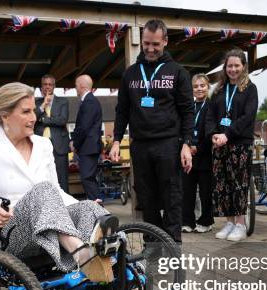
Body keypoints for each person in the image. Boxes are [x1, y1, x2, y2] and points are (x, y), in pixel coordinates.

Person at [0, 82, 112, 282]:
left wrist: (79, 205)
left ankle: (118, 276)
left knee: (88, 208)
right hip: (12, 231)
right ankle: (81, 254)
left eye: (33, 110)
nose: (34, 117)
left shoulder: (43, 145)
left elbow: (56, 192)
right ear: (5, 115)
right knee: (42, 190)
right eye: (26, 112)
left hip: (50, 224)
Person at [109, 19, 194, 243]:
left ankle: (173, 245)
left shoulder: (178, 72)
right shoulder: (130, 74)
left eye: (155, 44)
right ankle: (152, 244)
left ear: (165, 41)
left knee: (172, 196)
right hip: (140, 145)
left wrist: (186, 143)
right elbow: (122, 111)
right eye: (146, 43)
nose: (150, 49)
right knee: (147, 197)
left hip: (168, 144)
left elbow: (187, 111)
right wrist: (117, 140)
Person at [206, 49, 258, 242]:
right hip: (220, 143)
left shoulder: (249, 89)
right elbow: (210, 116)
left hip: (239, 143)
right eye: (230, 66)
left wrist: (227, 134)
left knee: (238, 183)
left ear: (243, 66)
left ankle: (240, 224)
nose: (233, 69)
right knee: (222, 184)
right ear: (225, 67)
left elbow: (247, 117)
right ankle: (228, 222)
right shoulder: (219, 90)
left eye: (237, 65)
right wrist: (213, 135)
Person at [182, 74, 214, 233]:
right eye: (196, 86)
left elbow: (212, 131)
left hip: (205, 154)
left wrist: (199, 148)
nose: (199, 89)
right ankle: (187, 221)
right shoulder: (189, 107)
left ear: (208, 87)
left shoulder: (212, 106)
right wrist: (187, 146)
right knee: (187, 190)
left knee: (205, 191)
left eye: (202, 85)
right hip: (188, 154)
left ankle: (206, 221)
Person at [34, 74, 70, 193]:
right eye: (45, 84)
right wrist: (44, 104)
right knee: (42, 177)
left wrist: (43, 120)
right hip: (40, 146)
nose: (47, 87)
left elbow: (62, 120)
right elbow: (33, 117)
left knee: (62, 177)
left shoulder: (63, 101)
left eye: (50, 84)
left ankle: (65, 207)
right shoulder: (36, 102)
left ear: (54, 86)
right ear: (41, 87)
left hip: (59, 145)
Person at [71, 75, 103, 201]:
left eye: (75, 86)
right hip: (90, 147)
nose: (75, 89)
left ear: (81, 86)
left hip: (88, 148)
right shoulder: (90, 101)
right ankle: (97, 210)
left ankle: (99, 212)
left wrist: (75, 143)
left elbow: (83, 127)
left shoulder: (89, 102)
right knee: (88, 178)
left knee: (87, 178)